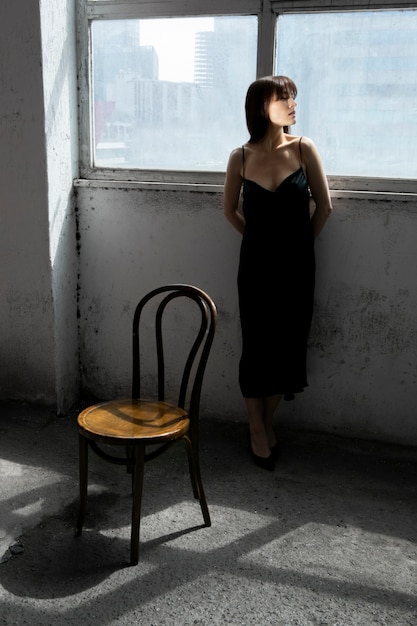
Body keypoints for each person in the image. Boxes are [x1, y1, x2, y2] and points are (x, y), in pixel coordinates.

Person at [224, 75, 332, 471]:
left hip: (297, 269)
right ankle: (257, 430)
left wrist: (300, 246)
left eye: (292, 96)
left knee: (287, 348)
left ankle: (263, 423)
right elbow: (229, 211)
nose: (292, 102)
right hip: (254, 268)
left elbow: (324, 207)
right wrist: (256, 240)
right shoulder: (241, 156)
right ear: (260, 106)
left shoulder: (304, 149)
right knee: (256, 350)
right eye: (283, 96)